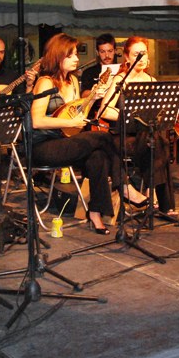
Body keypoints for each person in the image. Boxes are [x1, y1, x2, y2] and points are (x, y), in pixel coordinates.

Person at [29, 33, 147, 235]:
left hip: (66, 141)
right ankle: (124, 186)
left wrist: (93, 98)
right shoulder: (45, 82)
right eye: (72, 55)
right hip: (43, 146)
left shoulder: (73, 81)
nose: (77, 59)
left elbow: (77, 115)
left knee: (98, 156)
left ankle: (95, 212)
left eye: (76, 54)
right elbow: (36, 121)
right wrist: (69, 122)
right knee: (103, 137)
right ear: (59, 56)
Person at [98, 37, 176, 214]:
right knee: (157, 140)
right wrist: (129, 117)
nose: (141, 58)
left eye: (144, 53)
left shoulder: (151, 80)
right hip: (125, 135)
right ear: (127, 57)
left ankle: (151, 190)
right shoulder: (121, 79)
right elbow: (104, 111)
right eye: (136, 54)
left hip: (146, 135)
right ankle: (155, 194)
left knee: (158, 137)